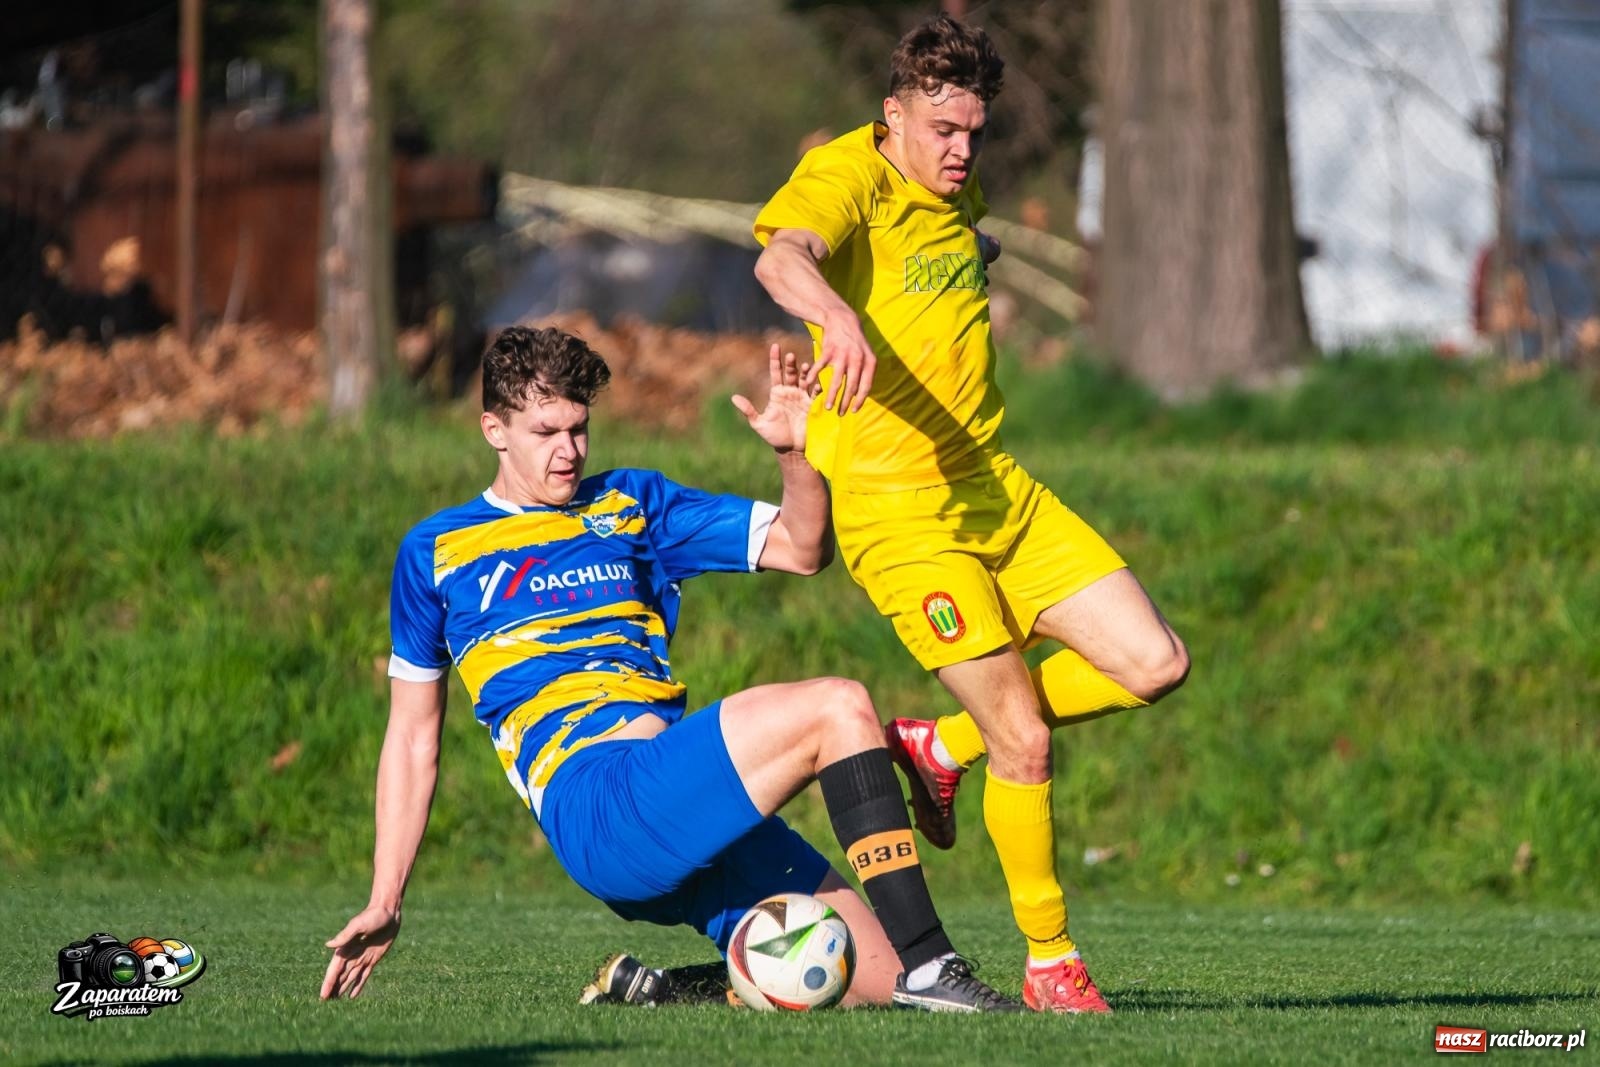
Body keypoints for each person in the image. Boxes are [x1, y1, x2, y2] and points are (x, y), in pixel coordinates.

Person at [319, 325, 1018, 1014]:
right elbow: (413, 738)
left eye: (579, 429)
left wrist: (797, 456)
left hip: (681, 804)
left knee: (871, 980)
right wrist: (387, 898)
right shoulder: (434, 552)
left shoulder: (632, 503)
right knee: (839, 705)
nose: (569, 451)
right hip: (597, 803)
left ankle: (663, 988)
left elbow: (803, 548)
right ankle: (936, 961)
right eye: (545, 432)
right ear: (493, 429)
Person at [750, 15, 1190, 1014]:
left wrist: (972, 252)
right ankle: (1051, 961)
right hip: (897, 516)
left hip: (993, 485)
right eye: (941, 129)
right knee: (1026, 738)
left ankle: (941, 745)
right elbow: (783, 257)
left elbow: (948, 249)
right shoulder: (845, 176)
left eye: (974, 132)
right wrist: (835, 312)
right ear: (893, 114)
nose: (959, 150)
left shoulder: (957, 190)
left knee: (1155, 663)